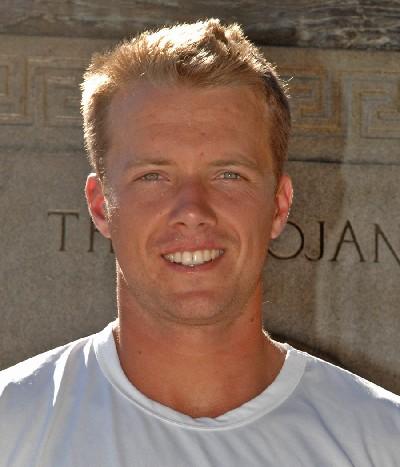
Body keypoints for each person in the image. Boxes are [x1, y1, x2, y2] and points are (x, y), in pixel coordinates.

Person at [0, 18, 399, 467]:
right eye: (153, 176)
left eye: (229, 174)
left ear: (278, 205)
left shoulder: (384, 441)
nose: (192, 209)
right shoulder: (11, 427)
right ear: (101, 206)